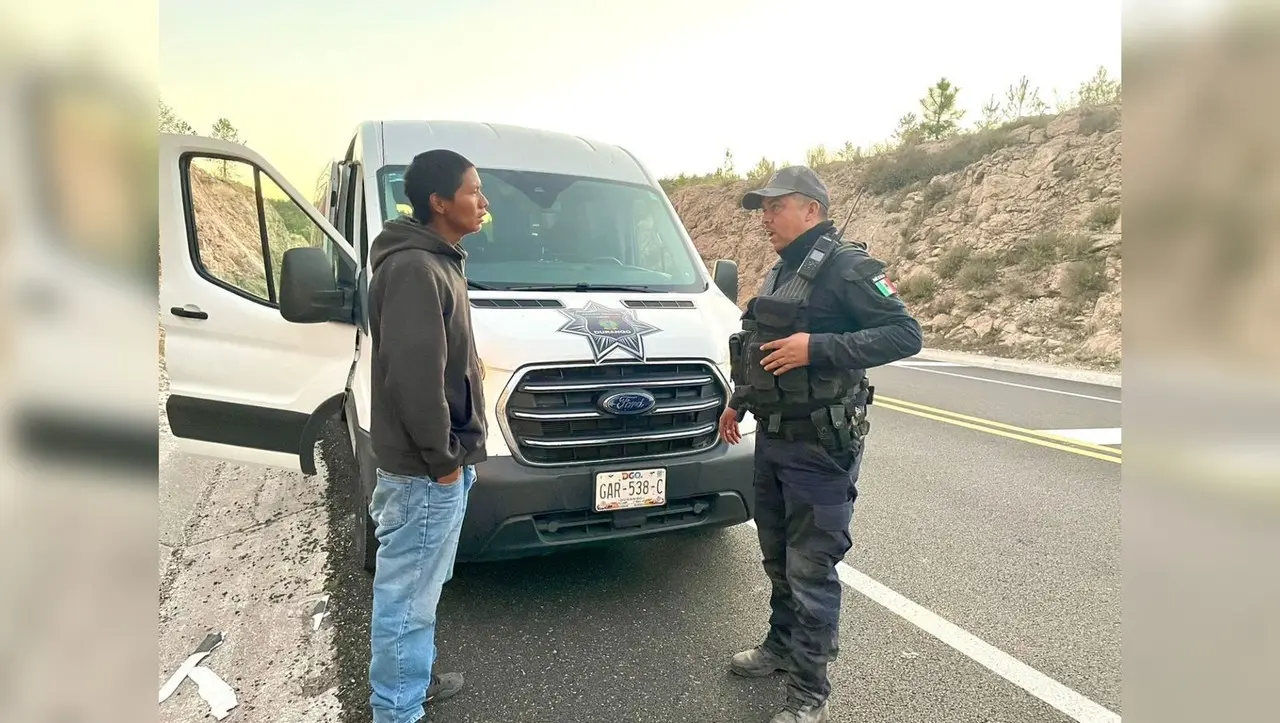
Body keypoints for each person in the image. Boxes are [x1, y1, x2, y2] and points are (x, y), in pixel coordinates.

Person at [719, 166, 923, 723]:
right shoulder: (785, 271)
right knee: (778, 557)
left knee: (812, 570)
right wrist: (739, 399)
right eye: (761, 208)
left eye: (774, 206)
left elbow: (907, 334)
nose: (765, 218)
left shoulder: (848, 268)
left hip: (820, 449)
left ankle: (809, 693)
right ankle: (780, 647)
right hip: (776, 440)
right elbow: (760, 346)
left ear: (812, 209)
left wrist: (820, 347)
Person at [365, 148, 490, 723]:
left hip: (437, 463)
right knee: (407, 598)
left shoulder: (436, 259)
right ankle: (396, 710)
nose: (483, 202)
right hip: (424, 470)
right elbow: (414, 380)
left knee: (420, 589)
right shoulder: (416, 267)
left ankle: (410, 682)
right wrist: (443, 462)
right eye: (473, 191)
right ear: (440, 202)